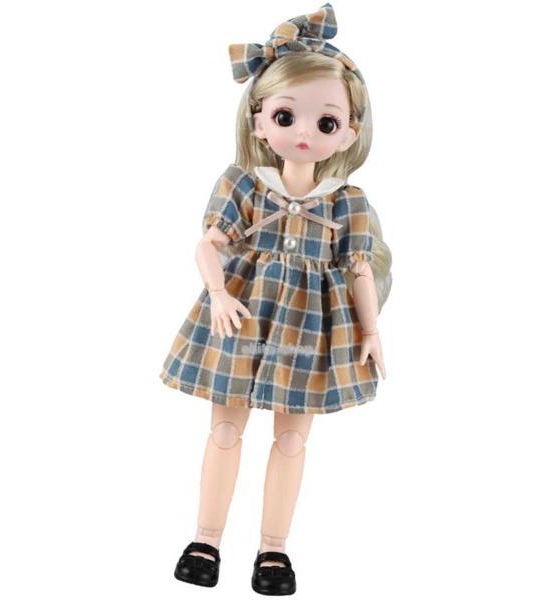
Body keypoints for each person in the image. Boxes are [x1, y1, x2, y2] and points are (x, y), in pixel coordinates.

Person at [159, 3, 392, 594]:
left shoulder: (347, 202)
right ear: (259, 121)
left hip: (310, 328)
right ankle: (205, 541)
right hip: (241, 316)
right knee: (225, 430)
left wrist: (371, 330)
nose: (305, 133)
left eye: (327, 122)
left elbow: (359, 269)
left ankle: (273, 551)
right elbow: (207, 244)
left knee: (292, 439)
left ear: (350, 132)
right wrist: (217, 292)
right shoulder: (242, 184)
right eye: (286, 115)